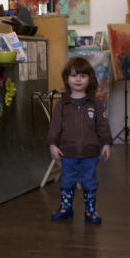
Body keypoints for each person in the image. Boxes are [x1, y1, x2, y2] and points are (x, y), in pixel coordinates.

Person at [47, 57, 112, 224]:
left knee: (89, 181)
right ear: (66, 78)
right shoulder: (62, 104)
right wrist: (53, 144)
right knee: (67, 180)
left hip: (90, 153)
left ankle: (90, 211)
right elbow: (54, 126)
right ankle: (65, 208)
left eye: (83, 76)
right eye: (74, 75)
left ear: (89, 79)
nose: (78, 79)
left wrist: (106, 143)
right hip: (67, 152)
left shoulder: (95, 103)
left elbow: (102, 125)